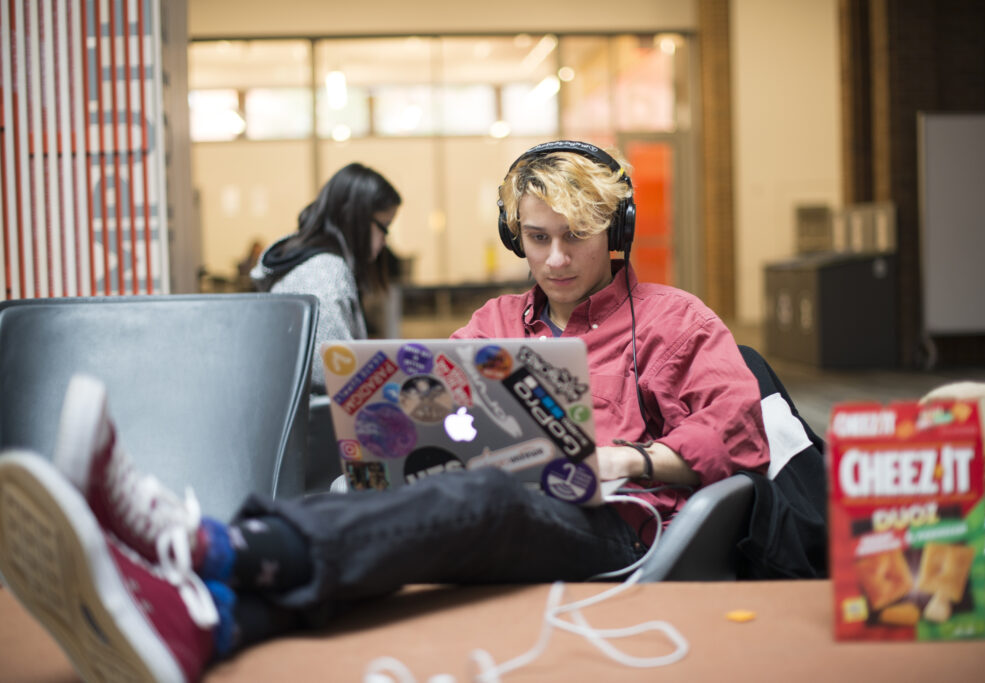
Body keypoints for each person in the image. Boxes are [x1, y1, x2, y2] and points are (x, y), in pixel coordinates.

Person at [0, 141, 769, 683]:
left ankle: (201, 542)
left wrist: (629, 458)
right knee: (405, 498)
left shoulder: (677, 318)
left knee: (484, 493)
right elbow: (430, 411)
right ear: (517, 237)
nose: (558, 258)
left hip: (610, 524)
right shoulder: (496, 321)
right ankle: (215, 619)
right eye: (538, 238)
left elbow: (736, 432)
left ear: (617, 233)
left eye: (577, 237)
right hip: (491, 507)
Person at [250, 162, 401, 390]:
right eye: (385, 227)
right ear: (357, 220)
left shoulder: (304, 260)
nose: (385, 241)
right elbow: (339, 373)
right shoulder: (326, 273)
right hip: (314, 420)